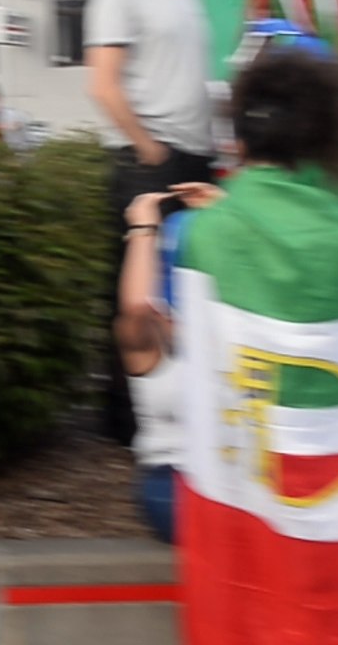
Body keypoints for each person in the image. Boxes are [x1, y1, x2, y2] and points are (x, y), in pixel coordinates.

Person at [175, 48, 338, 645]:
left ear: (238, 137)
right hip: (326, 483)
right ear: (325, 137)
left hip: (238, 469)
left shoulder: (206, 231)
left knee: (242, 599)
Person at [86, 0, 215, 446]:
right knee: (137, 296)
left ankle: (189, 411)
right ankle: (128, 426)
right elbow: (102, 83)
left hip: (199, 158)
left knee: (189, 291)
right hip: (152, 159)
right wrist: (147, 148)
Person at [114, 182, 222, 544]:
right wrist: (144, 227)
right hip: (174, 480)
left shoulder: (234, 324)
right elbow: (138, 306)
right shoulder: (150, 336)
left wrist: (231, 211)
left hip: (238, 477)